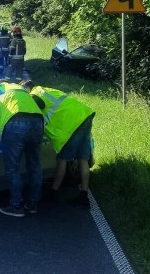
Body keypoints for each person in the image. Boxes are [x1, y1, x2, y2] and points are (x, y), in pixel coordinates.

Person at [21, 80, 95, 209]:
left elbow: (34, 115)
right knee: (83, 158)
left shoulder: (34, 95)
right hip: (85, 115)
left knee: (62, 159)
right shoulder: (45, 89)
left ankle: (53, 192)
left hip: (72, 124)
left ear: (27, 89)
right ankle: (84, 195)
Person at [0, 80, 45, 217]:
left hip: (15, 121)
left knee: (13, 167)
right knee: (35, 165)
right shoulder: (20, 88)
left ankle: (16, 206)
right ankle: (32, 204)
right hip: (37, 121)